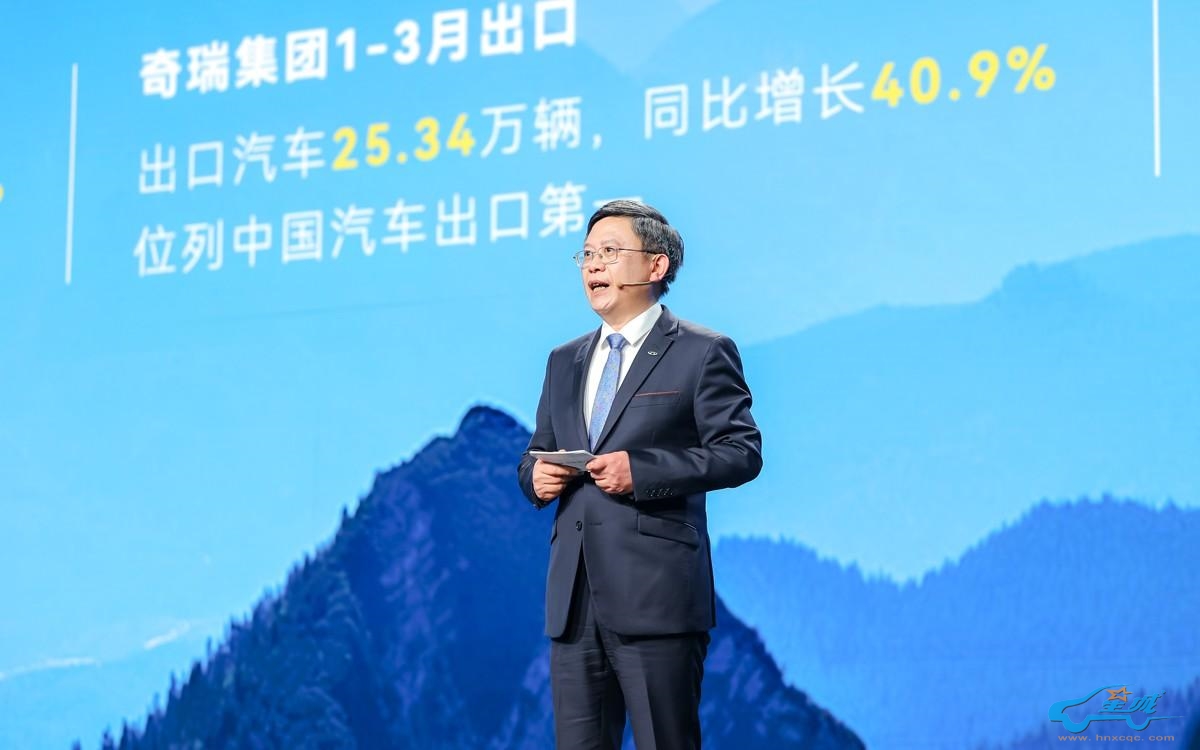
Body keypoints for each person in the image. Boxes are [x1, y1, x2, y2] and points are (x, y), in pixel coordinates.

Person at [516, 200, 762, 749]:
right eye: (586, 254)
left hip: (657, 597)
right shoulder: (563, 360)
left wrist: (642, 471)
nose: (593, 265)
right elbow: (536, 452)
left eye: (610, 251)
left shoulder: (702, 351)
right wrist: (535, 477)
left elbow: (741, 452)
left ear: (656, 265)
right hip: (574, 600)